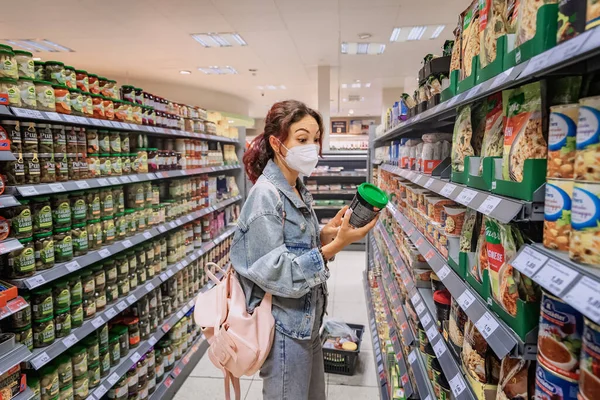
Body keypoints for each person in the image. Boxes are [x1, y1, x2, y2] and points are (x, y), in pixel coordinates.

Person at [230, 100, 377, 400]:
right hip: (285, 330)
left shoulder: (297, 186)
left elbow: (294, 246)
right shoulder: (265, 196)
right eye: (301, 139)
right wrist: (335, 247)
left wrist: (324, 234)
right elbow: (276, 272)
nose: (312, 147)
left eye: (315, 139)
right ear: (276, 142)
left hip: (308, 323)